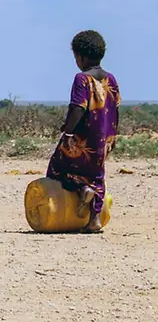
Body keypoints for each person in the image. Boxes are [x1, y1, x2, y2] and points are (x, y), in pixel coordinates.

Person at [46, 30, 120, 233]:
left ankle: (81, 190)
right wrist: (112, 137)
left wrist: (68, 132)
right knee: (97, 175)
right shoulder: (111, 79)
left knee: (57, 168)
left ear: (81, 57)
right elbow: (115, 107)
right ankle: (94, 219)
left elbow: (78, 107)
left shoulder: (82, 79)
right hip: (104, 139)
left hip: (82, 139)